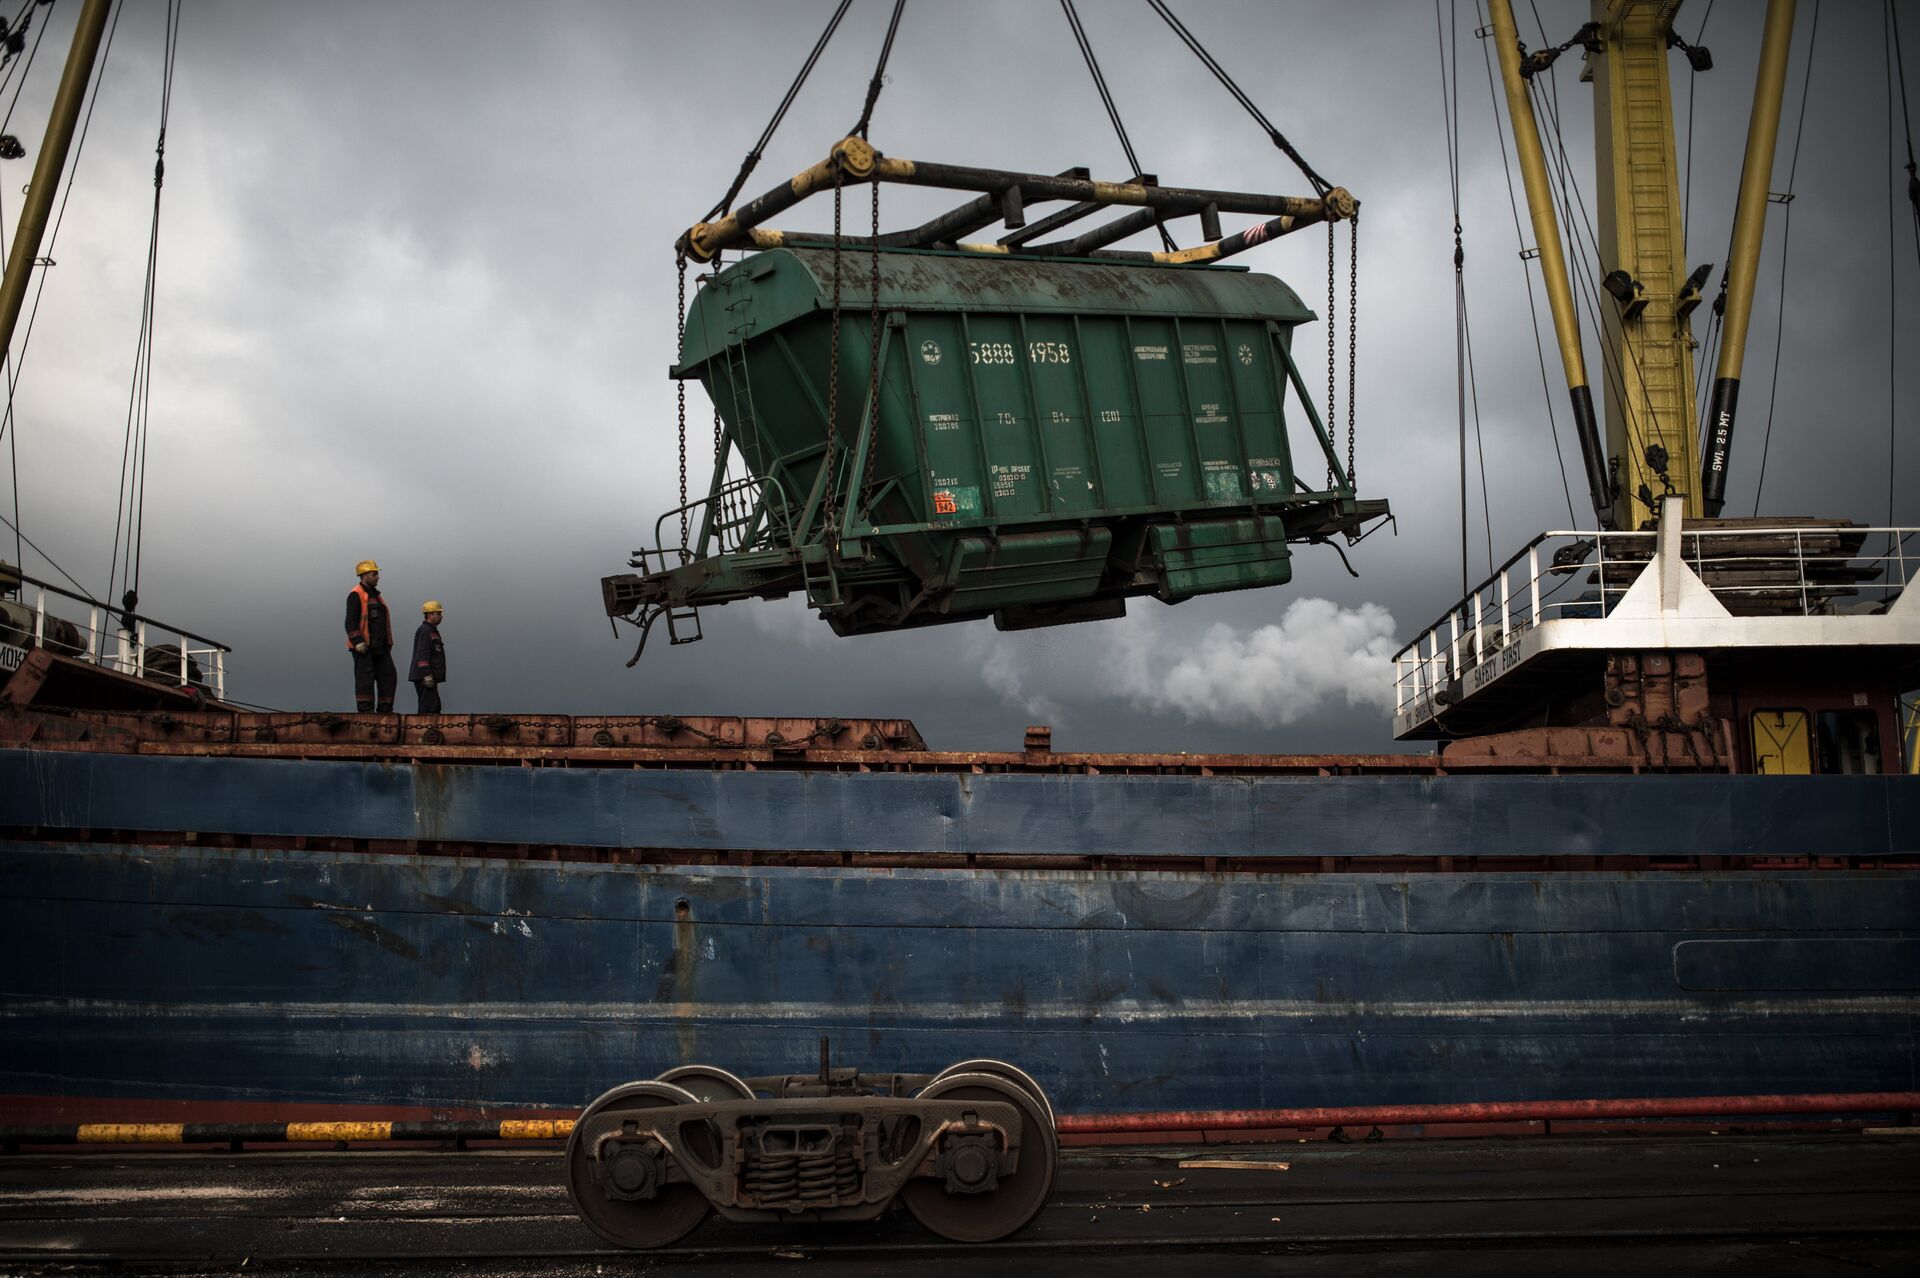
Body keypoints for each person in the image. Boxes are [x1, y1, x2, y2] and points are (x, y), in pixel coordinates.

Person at [344, 559, 396, 713]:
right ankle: (366, 712)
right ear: (365, 575)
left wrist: (387, 644)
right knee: (365, 680)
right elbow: (350, 621)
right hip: (364, 648)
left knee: (389, 677)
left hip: (380, 648)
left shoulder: (377, 596)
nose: (378, 577)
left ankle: (385, 710)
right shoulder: (356, 595)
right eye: (375, 574)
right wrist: (357, 641)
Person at [410, 600, 446, 713]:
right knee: (428, 708)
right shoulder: (426, 631)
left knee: (433, 706)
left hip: (428, 677)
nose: (441, 617)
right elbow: (422, 655)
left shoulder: (432, 631)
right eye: (438, 614)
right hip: (425, 677)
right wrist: (427, 675)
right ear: (430, 615)